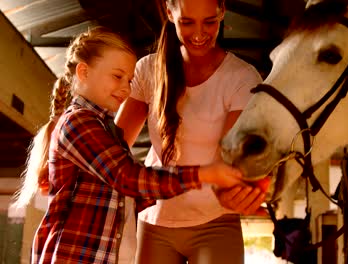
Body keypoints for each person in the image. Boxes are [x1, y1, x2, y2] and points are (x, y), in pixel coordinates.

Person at [12, 26, 244, 264]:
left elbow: (131, 195)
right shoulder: (78, 122)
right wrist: (204, 174)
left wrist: (186, 183)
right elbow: (128, 178)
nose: (126, 87)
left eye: (130, 79)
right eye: (117, 76)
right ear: (84, 72)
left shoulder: (106, 130)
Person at [114, 0, 266, 263]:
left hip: (214, 221)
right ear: (169, 13)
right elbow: (113, 148)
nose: (199, 33)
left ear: (222, 11)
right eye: (187, 22)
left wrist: (241, 192)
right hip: (155, 222)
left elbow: (227, 161)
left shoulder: (242, 78)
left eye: (209, 21)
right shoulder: (148, 70)